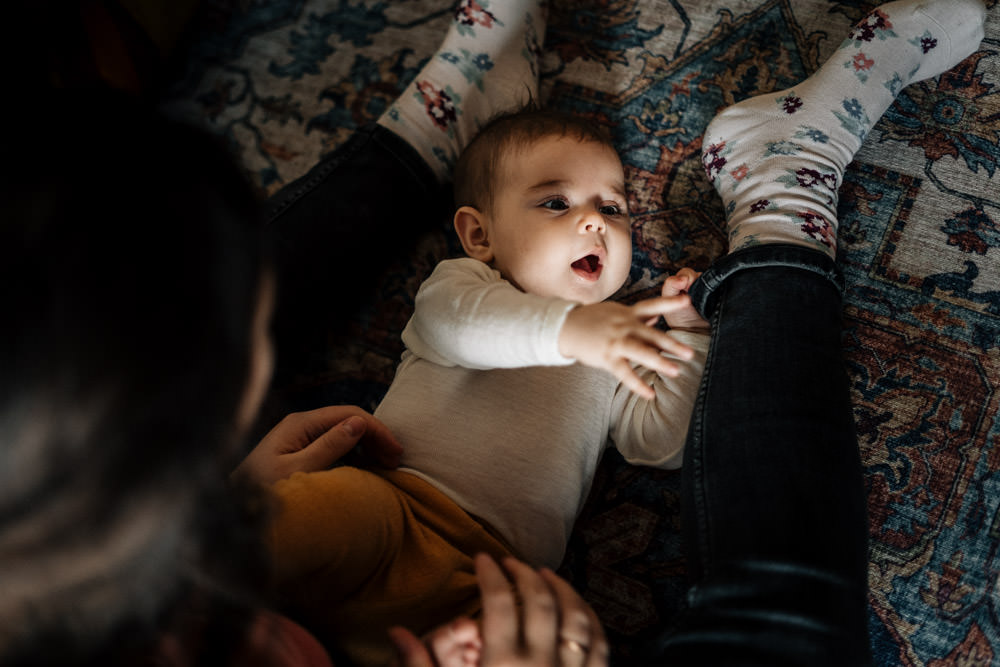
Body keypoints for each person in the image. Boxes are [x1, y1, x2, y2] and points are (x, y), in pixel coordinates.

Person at [262, 105, 711, 665]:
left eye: (613, 207)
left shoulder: (617, 347)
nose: (596, 220)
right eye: (556, 203)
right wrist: (571, 329)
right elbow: (460, 326)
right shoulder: (466, 286)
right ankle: (208, 571)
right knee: (309, 515)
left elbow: (662, 441)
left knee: (555, 638)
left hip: (493, 577)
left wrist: (689, 341)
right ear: (480, 234)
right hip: (392, 508)